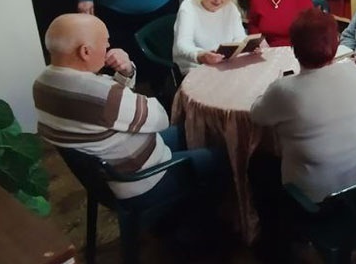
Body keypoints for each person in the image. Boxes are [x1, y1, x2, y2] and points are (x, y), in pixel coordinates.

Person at [33, 13, 225, 210]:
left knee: (192, 130)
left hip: (105, 175)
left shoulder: (41, 84)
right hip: (142, 181)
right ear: (85, 52)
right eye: (105, 44)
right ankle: (207, 220)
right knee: (220, 156)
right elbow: (161, 118)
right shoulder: (103, 95)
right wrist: (123, 84)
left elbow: (109, 111)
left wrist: (126, 72)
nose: (108, 49)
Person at [248, 8, 356, 255]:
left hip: (319, 199)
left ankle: (276, 247)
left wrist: (268, 93)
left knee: (259, 164)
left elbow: (257, 115)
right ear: (336, 43)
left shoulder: (285, 90)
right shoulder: (352, 71)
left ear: (294, 49)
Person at [173, 0, 247, 75]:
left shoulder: (230, 7)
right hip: (196, 65)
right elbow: (183, 44)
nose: (218, 0)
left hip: (225, 63)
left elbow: (239, 36)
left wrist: (247, 46)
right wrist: (201, 55)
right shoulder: (189, 6)